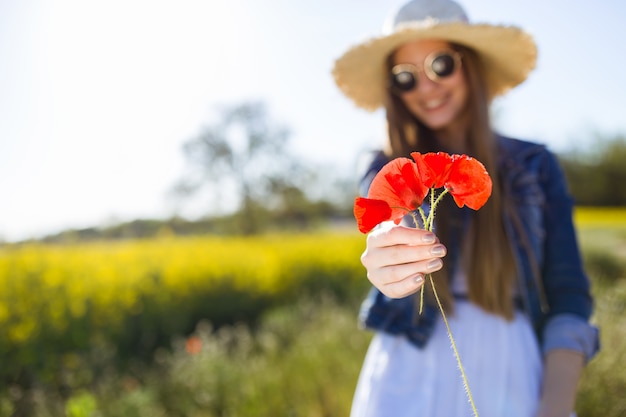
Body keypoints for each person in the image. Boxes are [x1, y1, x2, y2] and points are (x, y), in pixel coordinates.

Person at [331, 1, 599, 416]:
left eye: (441, 64)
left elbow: (568, 293)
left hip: (512, 362)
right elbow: (381, 228)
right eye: (404, 77)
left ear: (471, 65)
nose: (426, 87)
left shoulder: (535, 165)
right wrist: (386, 258)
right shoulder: (383, 165)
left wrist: (556, 405)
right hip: (406, 365)